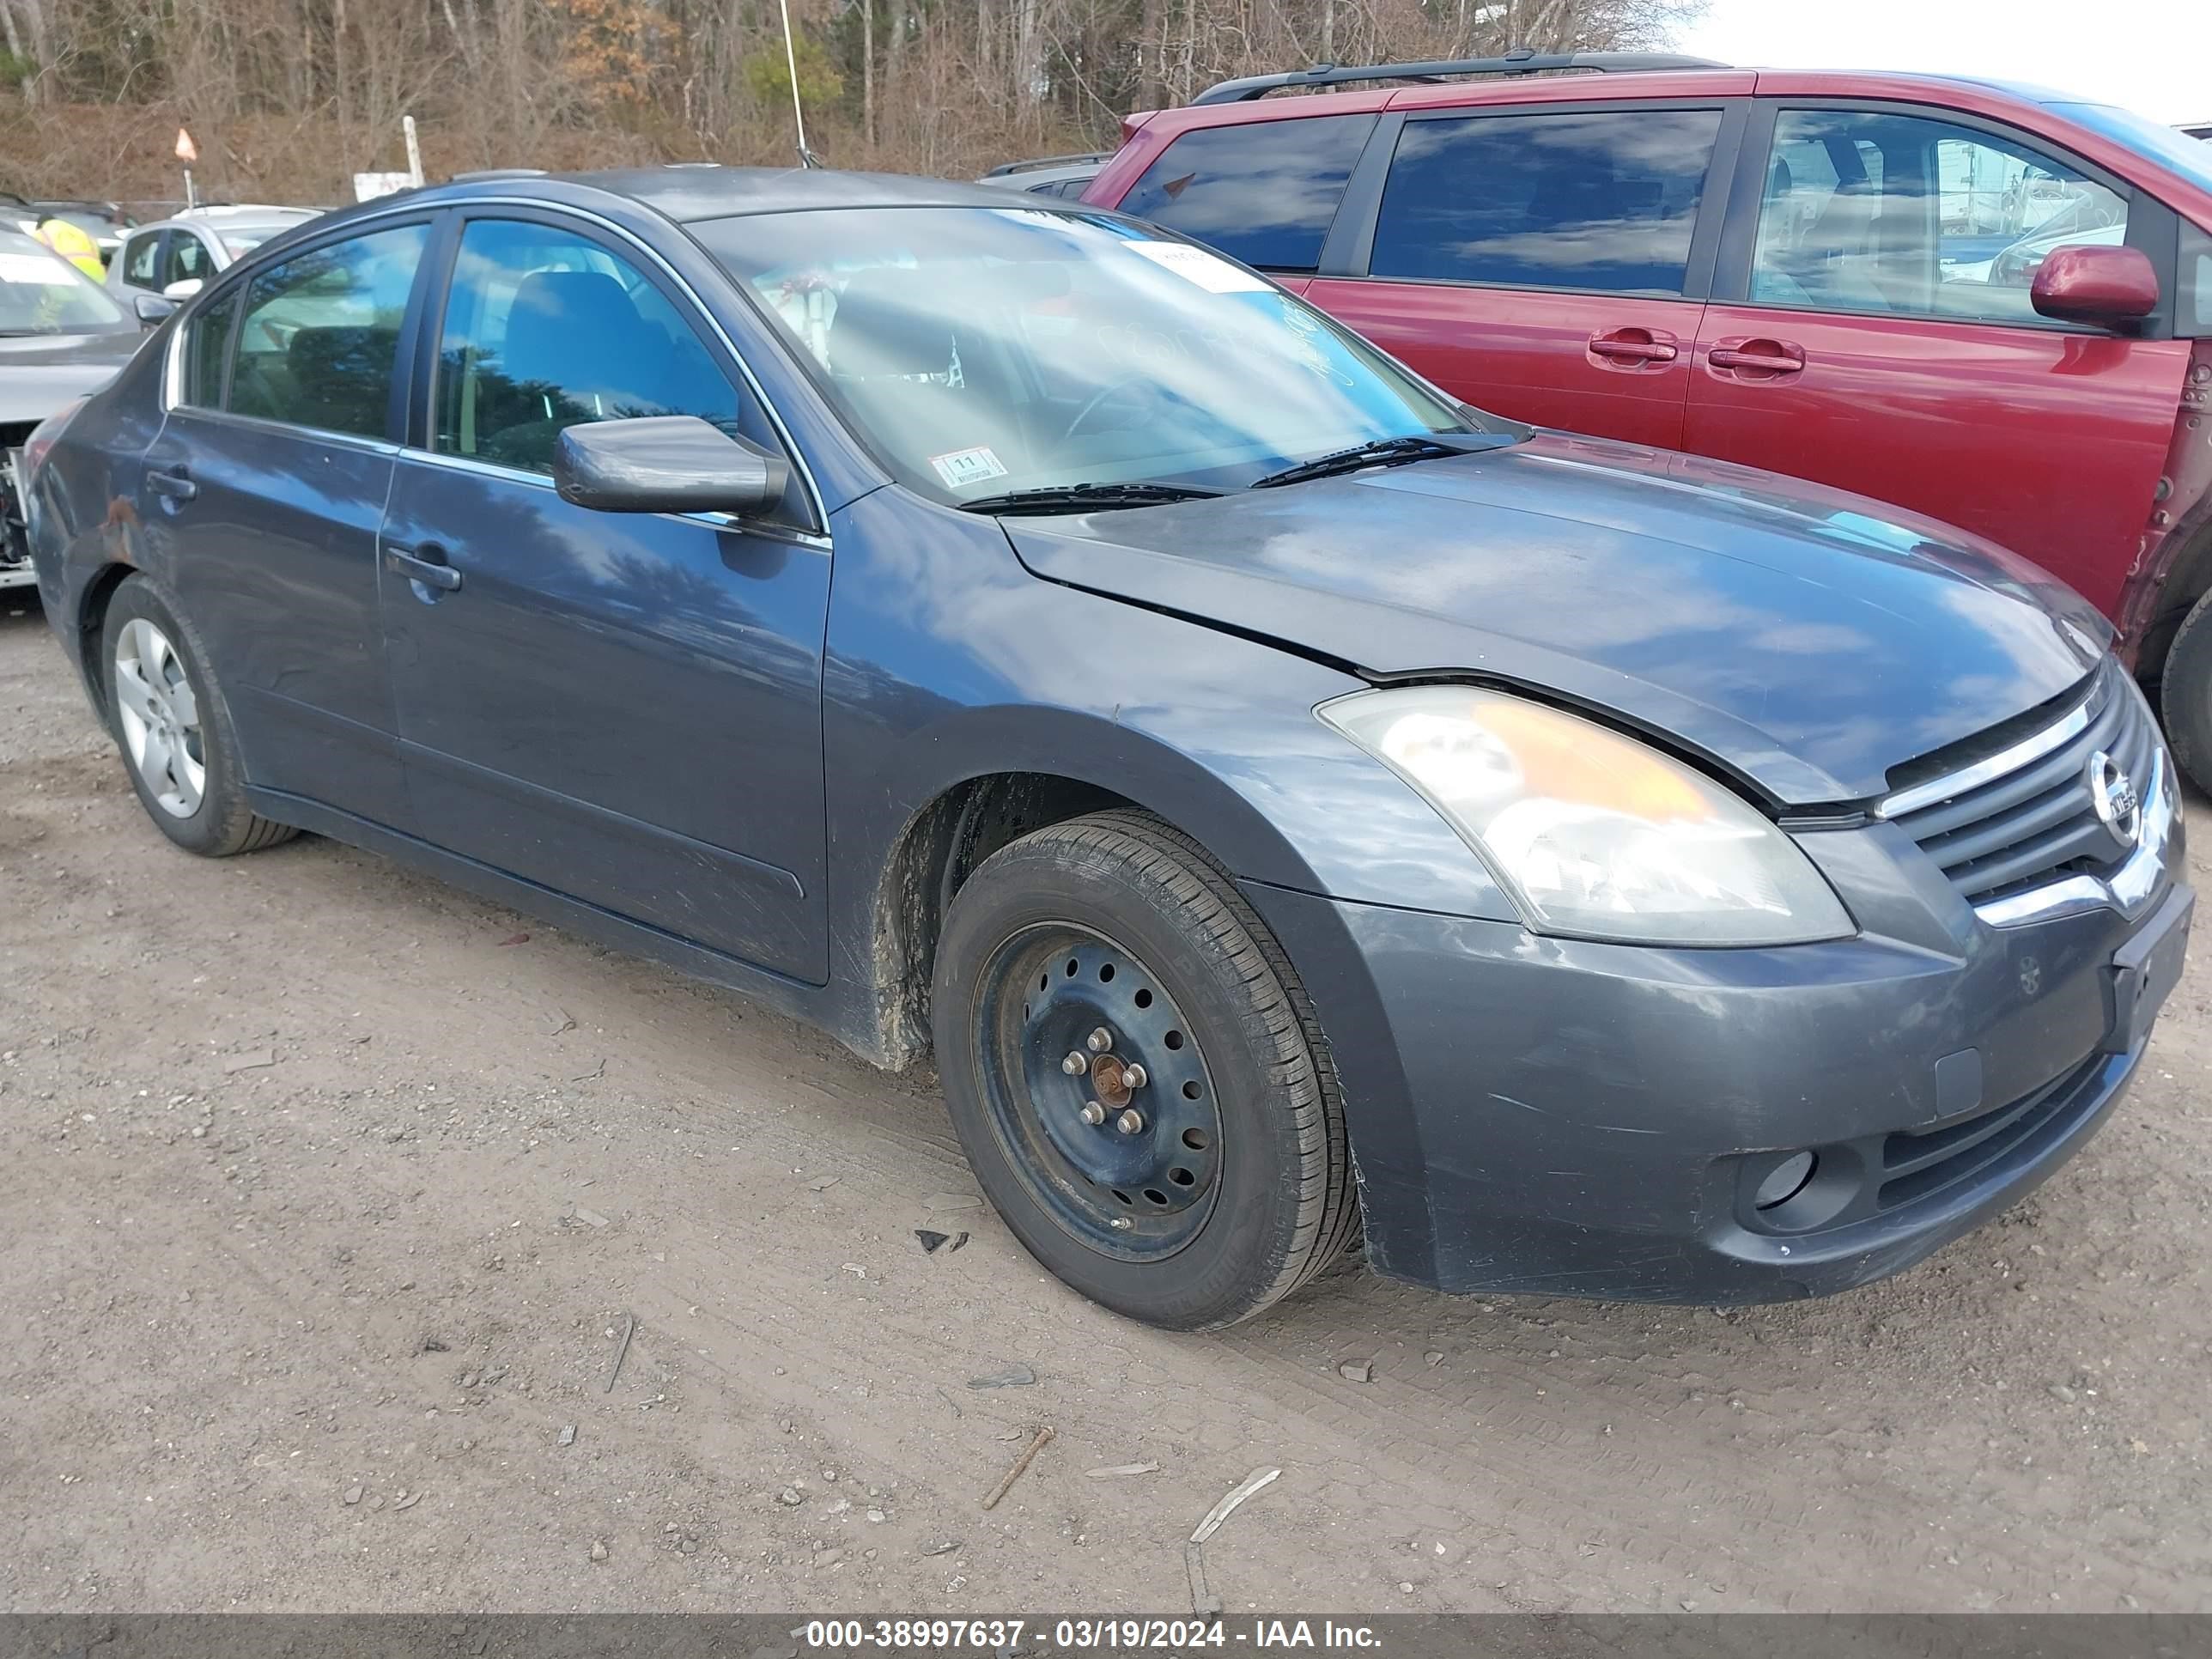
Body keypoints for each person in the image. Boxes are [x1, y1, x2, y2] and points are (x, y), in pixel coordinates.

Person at [34, 215, 104, 279]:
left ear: (39, 226)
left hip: (65, 276)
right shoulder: (82, 233)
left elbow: (33, 256)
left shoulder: (42, 232)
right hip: (97, 279)